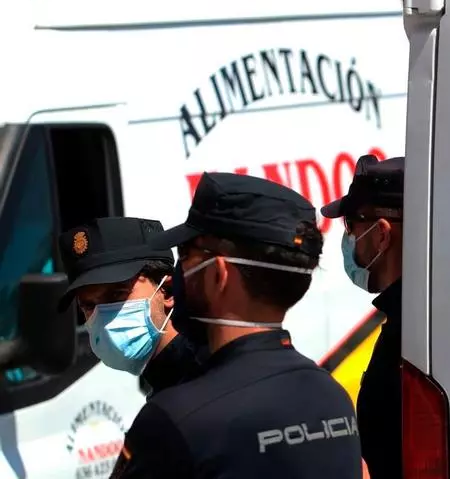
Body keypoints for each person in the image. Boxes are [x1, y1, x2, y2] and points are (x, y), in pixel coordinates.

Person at [109, 172, 362, 479]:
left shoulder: (174, 420)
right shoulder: (333, 398)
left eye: (186, 255)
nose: (178, 272)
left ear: (218, 274)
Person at [321, 154, 404, 479]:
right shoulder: (424, 316)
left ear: (382, 234)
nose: (348, 239)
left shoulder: (408, 338)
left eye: (350, 225)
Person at [57, 217, 202, 395]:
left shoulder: (203, 381)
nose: (103, 319)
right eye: (88, 305)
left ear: (168, 291)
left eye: (117, 294)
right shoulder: (170, 383)